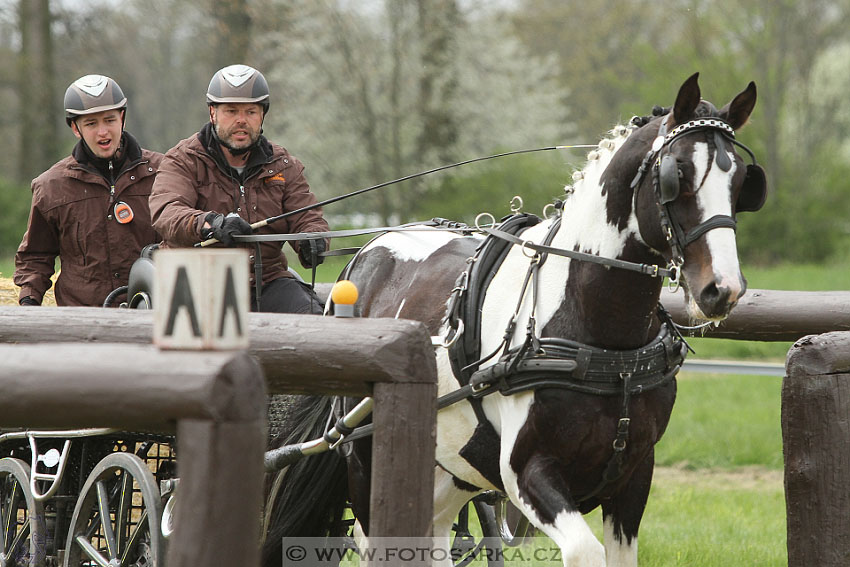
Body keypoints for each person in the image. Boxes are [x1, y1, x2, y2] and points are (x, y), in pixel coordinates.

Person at [149, 64, 328, 314]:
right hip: (197, 283)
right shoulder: (182, 160)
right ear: (213, 113)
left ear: (262, 115)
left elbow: (308, 217)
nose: (241, 120)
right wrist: (210, 224)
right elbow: (166, 213)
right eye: (231, 111)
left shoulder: (284, 165)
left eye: (251, 112)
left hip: (268, 282)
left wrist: (314, 240)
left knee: (315, 322)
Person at [14, 75, 162, 307]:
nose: (103, 132)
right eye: (91, 124)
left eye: (109, 120)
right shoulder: (51, 187)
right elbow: (35, 257)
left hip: (152, 317)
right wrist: (29, 303)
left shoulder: (163, 174)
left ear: (122, 118)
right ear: (75, 127)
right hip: (82, 324)